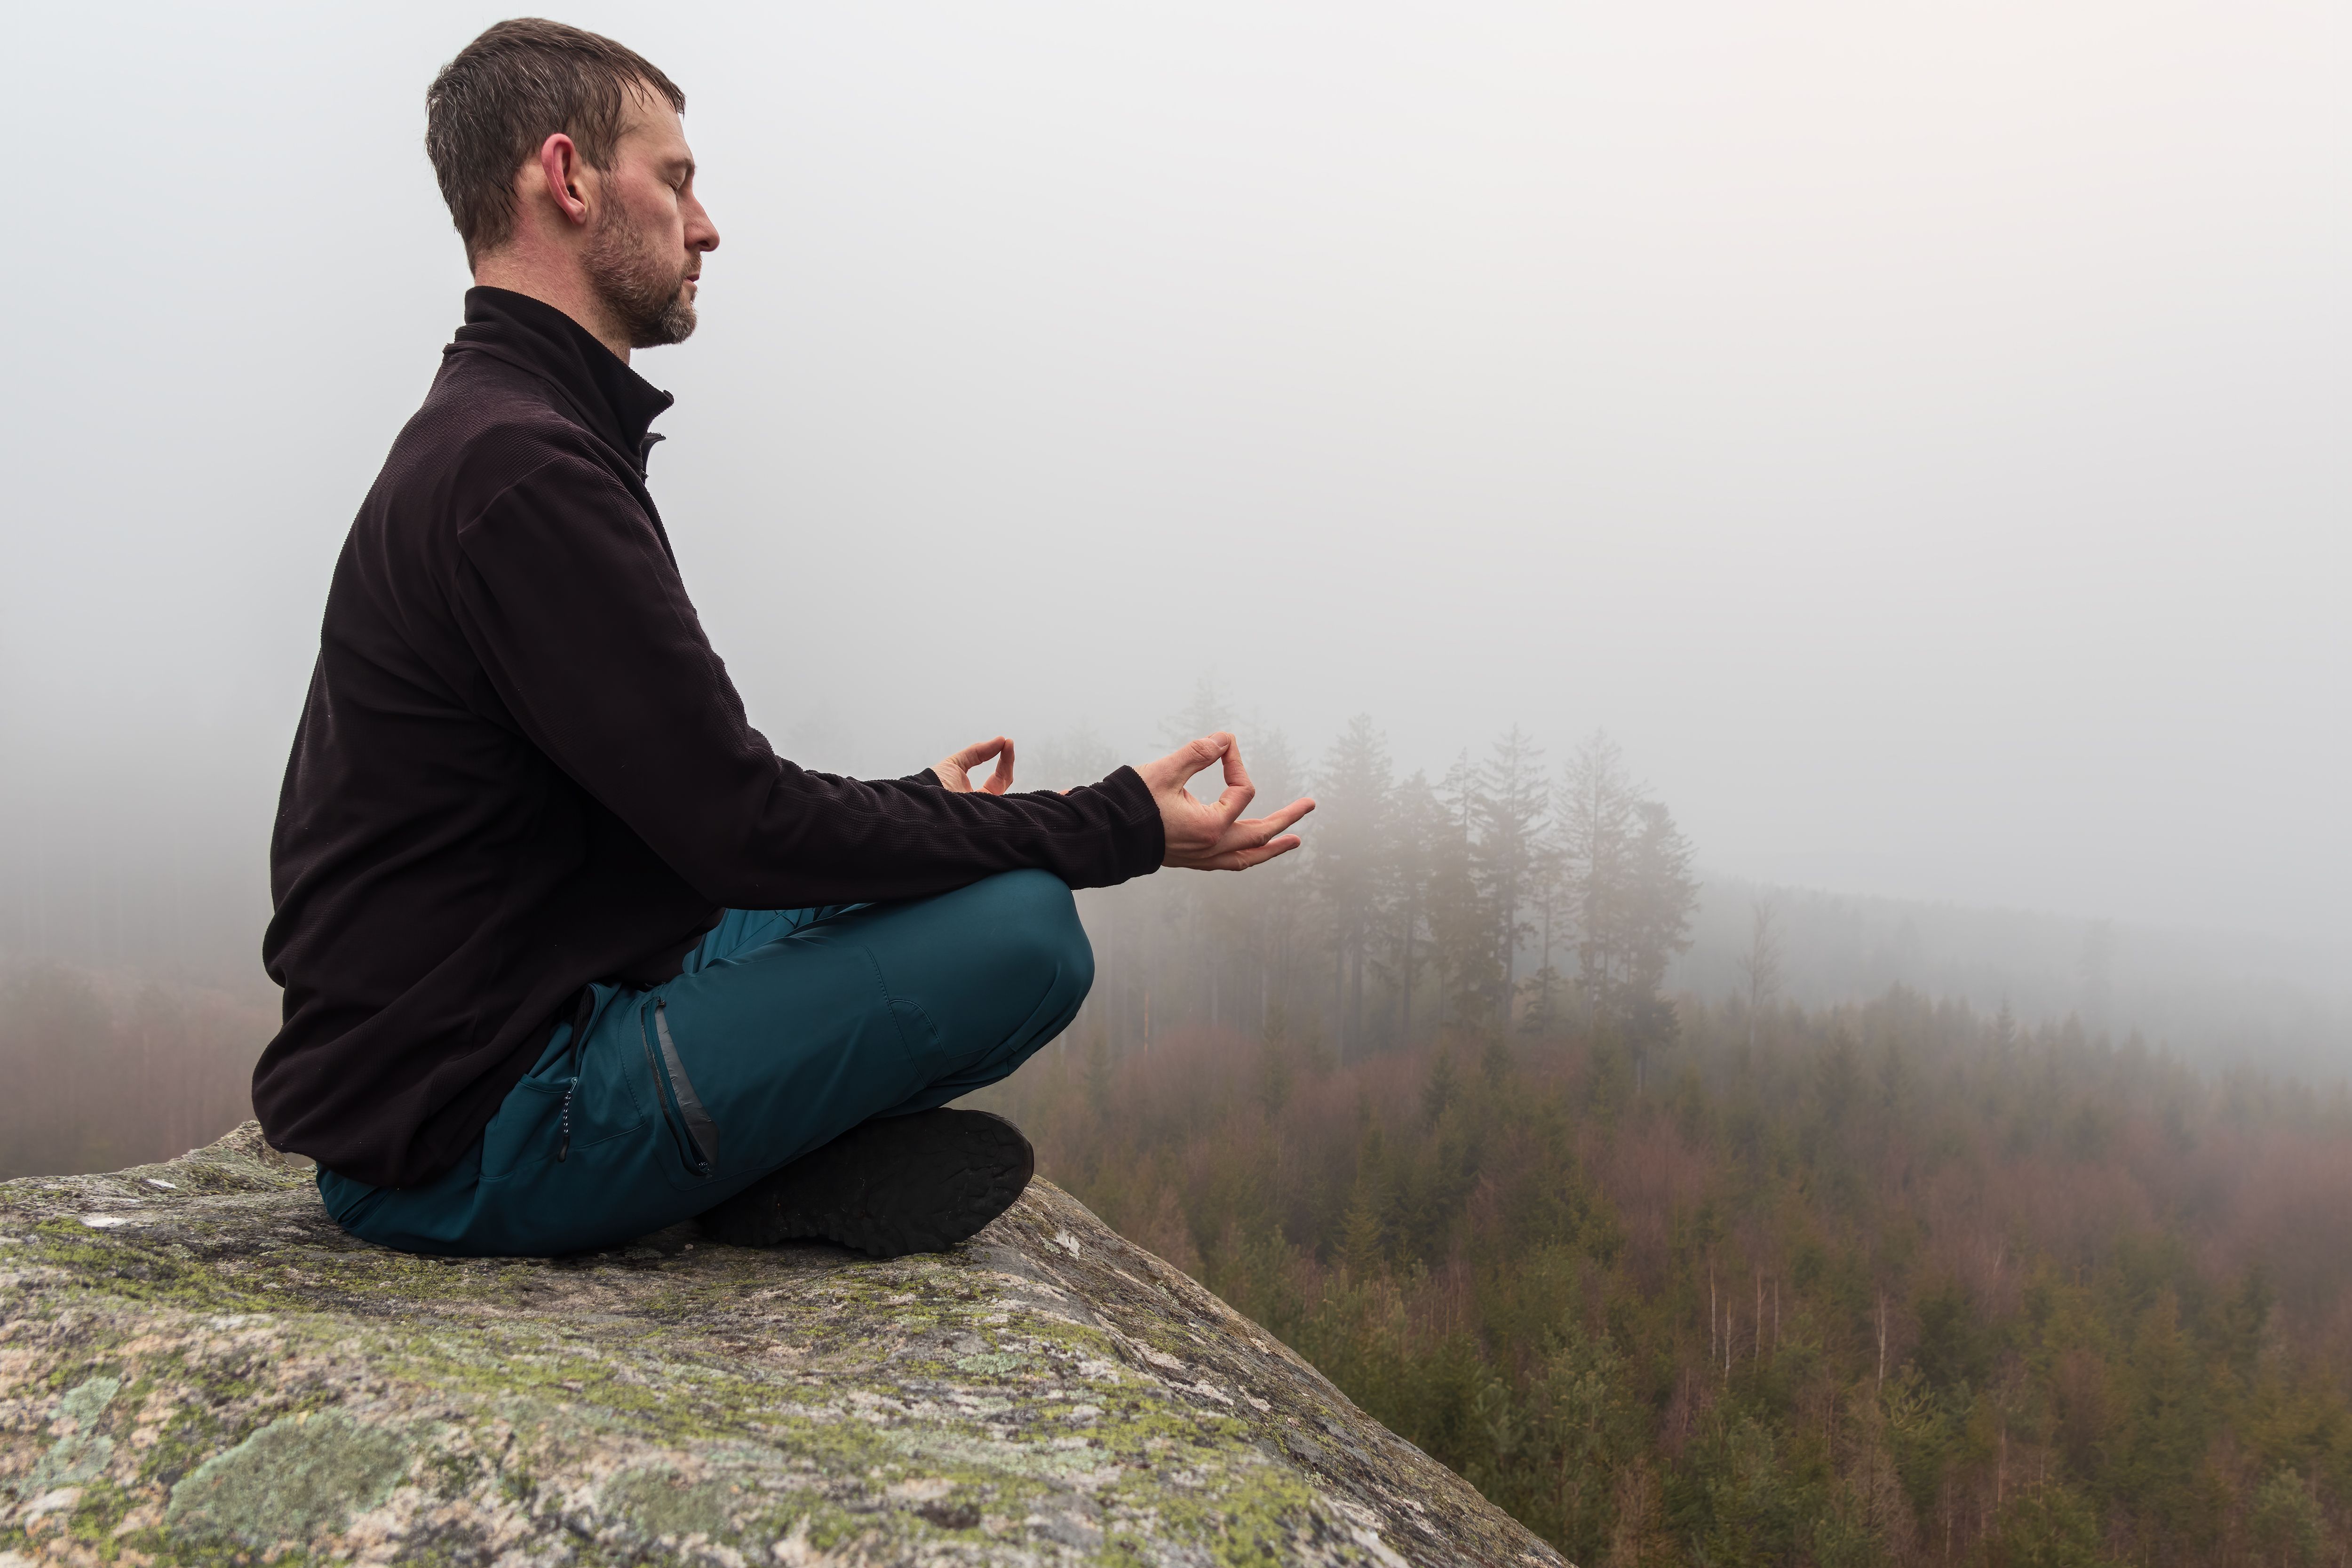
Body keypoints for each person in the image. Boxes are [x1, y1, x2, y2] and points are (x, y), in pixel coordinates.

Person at [255, 19, 1311, 1260]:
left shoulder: (506, 433)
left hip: (515, 999)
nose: (706, 227)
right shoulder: (521, 473)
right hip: (474, 1127)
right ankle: (739, 1172)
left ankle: (744, 1167)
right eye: (680, 179)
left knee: (957, 873)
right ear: (571, 177)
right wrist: (1117, 822)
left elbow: (697, 803)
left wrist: (919, 813)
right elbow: (741, 825)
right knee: (1022, 932)